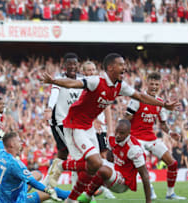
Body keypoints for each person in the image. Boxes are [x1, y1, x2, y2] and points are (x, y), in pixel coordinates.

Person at [40, 53, 179, 202]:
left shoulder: (119, 86)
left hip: (88, 127)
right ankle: (62, 166)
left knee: (92, 167)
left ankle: (73, 199)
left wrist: (164, 104)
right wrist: (54, 81)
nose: (124, 68)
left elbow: (140, 96)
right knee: (95, 162)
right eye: (121, 65)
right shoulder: (96, 81)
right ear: (111, 67)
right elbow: (74, 83)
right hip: (74, 126)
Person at [125, 72, 186, 200]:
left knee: (173, 163)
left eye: (156, 84)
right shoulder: (138, 98)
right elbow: (126, 119)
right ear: (147, 83)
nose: (153, 86)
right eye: (151, 83)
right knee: (143, 164)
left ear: (160, 85)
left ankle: (170, 193)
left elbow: (162, 124)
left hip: (150, 138)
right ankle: (150, 189)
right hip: (136, 138)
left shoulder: (160, 103)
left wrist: (170, 133)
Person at [77, 119, 152, 203]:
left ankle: (88, 196)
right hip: (115, 171)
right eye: (117, 132)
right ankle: (92, 191)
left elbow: (145, 175)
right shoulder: (112, 139)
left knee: (102, 170)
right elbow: (109, 158)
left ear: (128, 133)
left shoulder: (134, 149)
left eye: (122, 133)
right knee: (88, 162)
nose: (118, 135)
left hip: (123, 182)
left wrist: (148, 201)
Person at [43, 53, 83, 187]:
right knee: (77, 153)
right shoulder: (59, 80)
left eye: (74, 63)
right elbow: (54, 94)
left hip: (76, 123)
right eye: (69, 64)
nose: (72, 66)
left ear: (78, 65)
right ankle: (77, 189)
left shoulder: (82, 80)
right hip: (60, 122)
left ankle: (47, 186)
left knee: (63, 154)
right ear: (64, 65)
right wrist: (49, 108)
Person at [0, 131, 70, 203]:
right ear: (12, 144)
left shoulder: (0, 153)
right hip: (16, 199)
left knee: (37, 174)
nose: (21, 143)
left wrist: (0, 131)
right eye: (19, 141)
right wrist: (48, 190)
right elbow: (32, 182)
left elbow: (0, 141)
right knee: (55, 191)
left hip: (3, 197)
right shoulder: (15, 164)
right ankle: (77, 196)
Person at [82, 60, 116, 199]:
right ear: (83, 72)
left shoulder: (101, 85)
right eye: (88, 70)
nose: (91, 72)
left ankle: (104, 187)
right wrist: (92, 119)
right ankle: (91, 188)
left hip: (101, 128)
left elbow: (107, 107)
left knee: (105, 157)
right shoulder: (82, 87)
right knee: (91, 159)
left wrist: (110, 129)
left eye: (93, 69)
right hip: (87, 128)